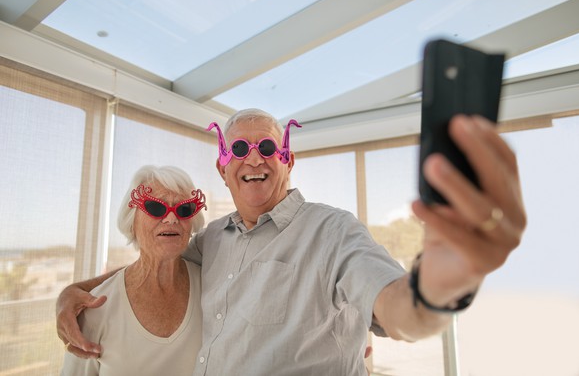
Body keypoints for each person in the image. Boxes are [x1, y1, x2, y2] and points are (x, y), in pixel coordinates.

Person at [57, 109, 526, 375]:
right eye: (239, 149)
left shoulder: (333, 233)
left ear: (287, 160)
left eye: (267, 147)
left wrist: (441, 284)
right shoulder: (213, 238)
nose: (254, 158)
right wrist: (72, 292)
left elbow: (402, 312)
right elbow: (156, 258)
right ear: (224, 167)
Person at [60, 165, 207, 375]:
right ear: (131, 221)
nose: (172, 218)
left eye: (184, 209)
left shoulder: (211, 285)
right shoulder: (96, 308)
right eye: (156, 208)